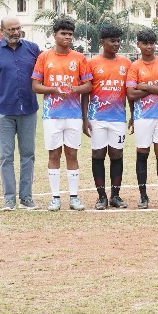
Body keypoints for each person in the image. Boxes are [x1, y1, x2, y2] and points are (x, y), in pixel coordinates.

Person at [30, 18, 93, 212]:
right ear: (54, 35)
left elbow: (88, 86)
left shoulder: (79, 58)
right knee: (54, 153)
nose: (67, 37)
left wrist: (74, 88)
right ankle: (55, 197)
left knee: (72, 154)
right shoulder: (44, 57)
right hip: (52, 115)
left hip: (73, 114)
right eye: (63, 33)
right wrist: (55, 89)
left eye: (70, 34)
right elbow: (35, 86)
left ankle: (74, 197)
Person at [0, 16, 41, 210]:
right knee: (6, 156)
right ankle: (9, 198)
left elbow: (40, 76)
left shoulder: (33, 49)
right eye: (11, 29)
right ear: (2, 30)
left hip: (28, 109)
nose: (16, 32)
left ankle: (26, 197)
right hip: (4, 111)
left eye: (18, 28)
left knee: (28, 154)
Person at [125, 29, 158, 208]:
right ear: (138, 45)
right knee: (142, 153)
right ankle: (143, 196)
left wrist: (145, 86)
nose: (149, 47)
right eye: (145, 43)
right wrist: (157, 85)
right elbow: (131, 94)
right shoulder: (134, 66)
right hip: (142, 117)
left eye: (152, 43)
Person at [83, 25, 130, 209]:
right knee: (98, 153)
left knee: (117, 154)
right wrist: (85, 118)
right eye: (112, 41)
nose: (116, 44)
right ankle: (101, 196)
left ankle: (115, 196)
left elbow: (130, 91)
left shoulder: (126, 63)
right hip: (97, 117)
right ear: (102, 42)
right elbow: (85, 93)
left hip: (118, 117)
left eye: (118, 40)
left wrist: (133, 114)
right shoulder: (92, 63)